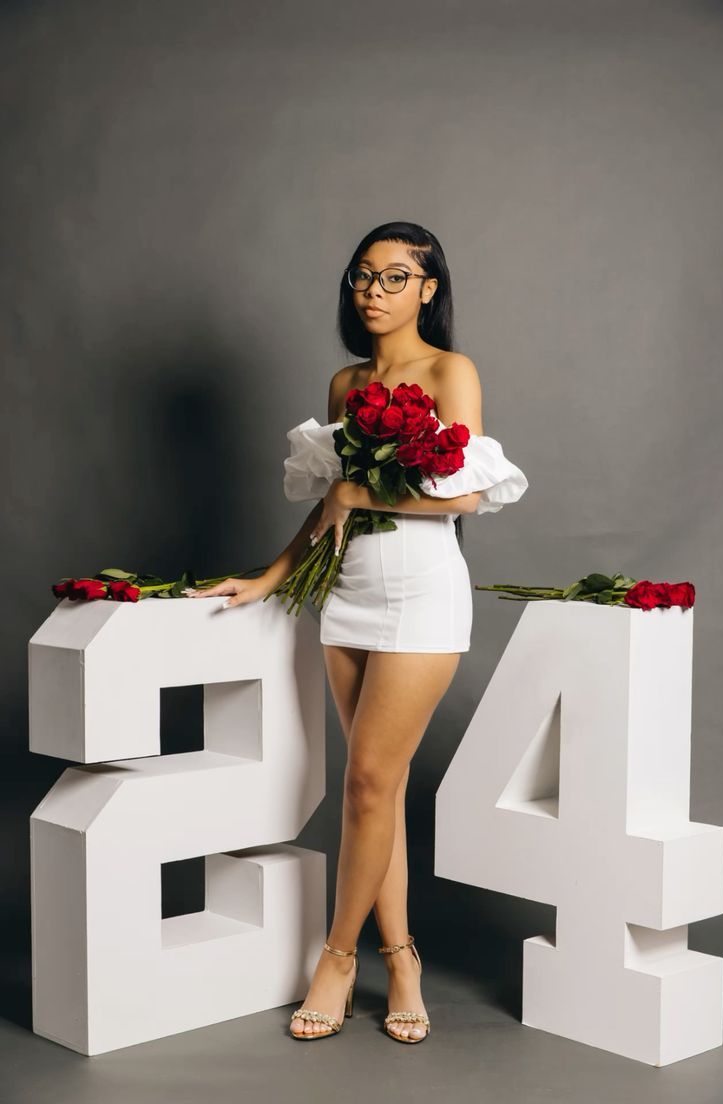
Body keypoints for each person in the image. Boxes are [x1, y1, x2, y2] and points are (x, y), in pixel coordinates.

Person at [185, 221, 528, 1044]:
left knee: (369, 784)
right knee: (380, 792)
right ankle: (402, 956)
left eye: (396, 278)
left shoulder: (451, 371)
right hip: (347, 594)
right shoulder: (347, 385)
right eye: (363, 277)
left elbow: (464, 499)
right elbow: (329, 501)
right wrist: (274, 573)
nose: (374, 292)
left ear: (430, 289)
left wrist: (359, 498)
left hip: (422, 593)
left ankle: (339, 959)